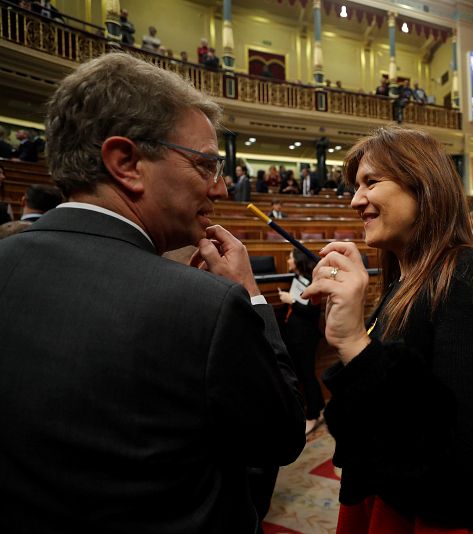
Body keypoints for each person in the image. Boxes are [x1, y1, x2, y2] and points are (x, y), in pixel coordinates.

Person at [0, 52, 305, 532]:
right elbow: (282, 435)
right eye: (206, 166)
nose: (220, 189)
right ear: (126, 163)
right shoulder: (206, 305)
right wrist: (251, 296)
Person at [302, 126, 473, 532]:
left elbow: (468, 462)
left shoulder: (471, 275)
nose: (355, 200)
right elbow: (363, 427)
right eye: (355, 186)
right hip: (392, 501)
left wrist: (354, 343)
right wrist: (349, 342)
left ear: (423, 186)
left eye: (371, 182)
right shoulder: (402, 281)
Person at [278, 249, 324, 435]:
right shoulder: (297, 279)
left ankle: (313, 415)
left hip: (305, 338)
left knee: (307, 375)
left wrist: (291, 301)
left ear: (298, 261)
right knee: (301, 375)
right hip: (294, 336)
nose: (288, 260)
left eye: (290, 257)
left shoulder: (312, 282)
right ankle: (317, 408)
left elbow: (312, 311)